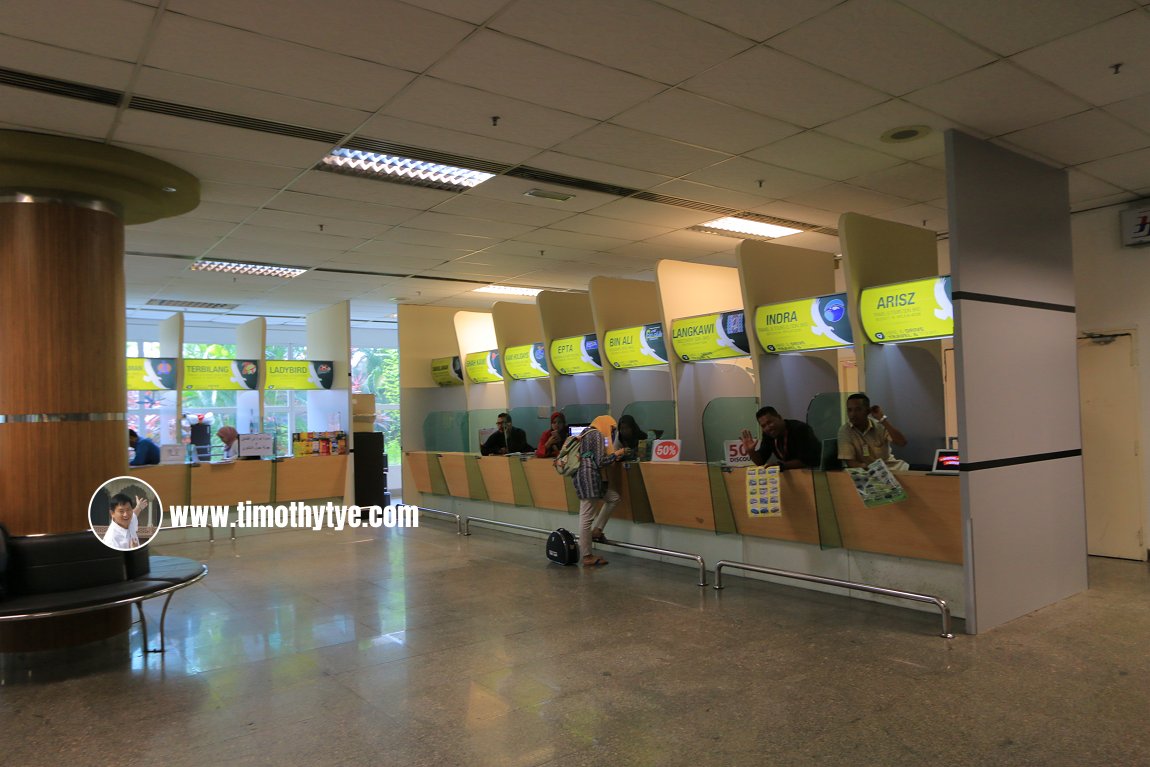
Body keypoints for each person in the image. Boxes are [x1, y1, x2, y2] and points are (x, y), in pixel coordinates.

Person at [573, 414, 626, 567]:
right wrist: (616, 454)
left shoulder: (584, 433)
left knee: (613, 498)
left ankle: (597, 531)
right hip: (589, 478)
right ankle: (587, 556)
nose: (612, 431)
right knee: (586, 517)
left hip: (586, 477)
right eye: (611, 428)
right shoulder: (596, 434)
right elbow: (599, 461)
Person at [838, 392, 909, 471]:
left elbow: (902, 442)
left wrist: (882, 419)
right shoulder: (845, 431)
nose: (853, 414)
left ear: (868, 411)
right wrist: (871, 469)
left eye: (858, 410)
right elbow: (851, 463)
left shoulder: (879, 425)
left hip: (894, 469)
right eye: (849, 410)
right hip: (870, 473)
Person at [739, 406, 821, 470]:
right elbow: (760, 461)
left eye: (769, 422)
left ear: (779, 417)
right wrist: (751, 451)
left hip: (816, 473)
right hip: (793, 476)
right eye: (763, 426)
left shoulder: (800, 429)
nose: (768, 428)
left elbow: (807, 461)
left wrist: (781, 465)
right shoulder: (768, 434)